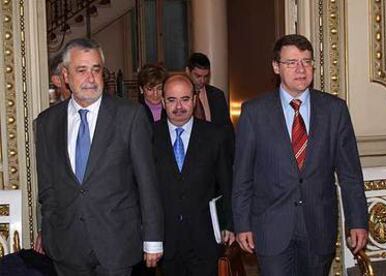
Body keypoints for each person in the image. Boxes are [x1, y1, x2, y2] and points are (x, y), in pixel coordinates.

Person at [232, 34, 368, 276]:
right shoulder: (254, 113)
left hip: (318, 227)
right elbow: (242, 176)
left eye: (306, 61)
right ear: (276, 67)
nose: (301, 69)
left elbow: (350, 174)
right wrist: (242, 224)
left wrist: (357, 220)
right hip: (271, 228)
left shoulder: (334, 110)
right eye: (292, 62)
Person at [35, 38, 163, 276]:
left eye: (96, 70)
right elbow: (48, 187)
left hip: (116, 244)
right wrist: (50, 230)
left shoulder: (130, 116)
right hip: (66, 247)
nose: (91, 79)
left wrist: (153, 238)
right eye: (81, 70)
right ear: (65, 76)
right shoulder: (46, 123)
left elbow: (147, 182)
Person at [153, 74, 234, 276]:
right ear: (163, 102)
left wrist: (230, 224)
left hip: (204, 238)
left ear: (195, 100)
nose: (179, 106)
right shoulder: (149, 135)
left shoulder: (215, 136)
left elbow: (227, 183)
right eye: (172, 100)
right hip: (165, 240)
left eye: (185, 99)